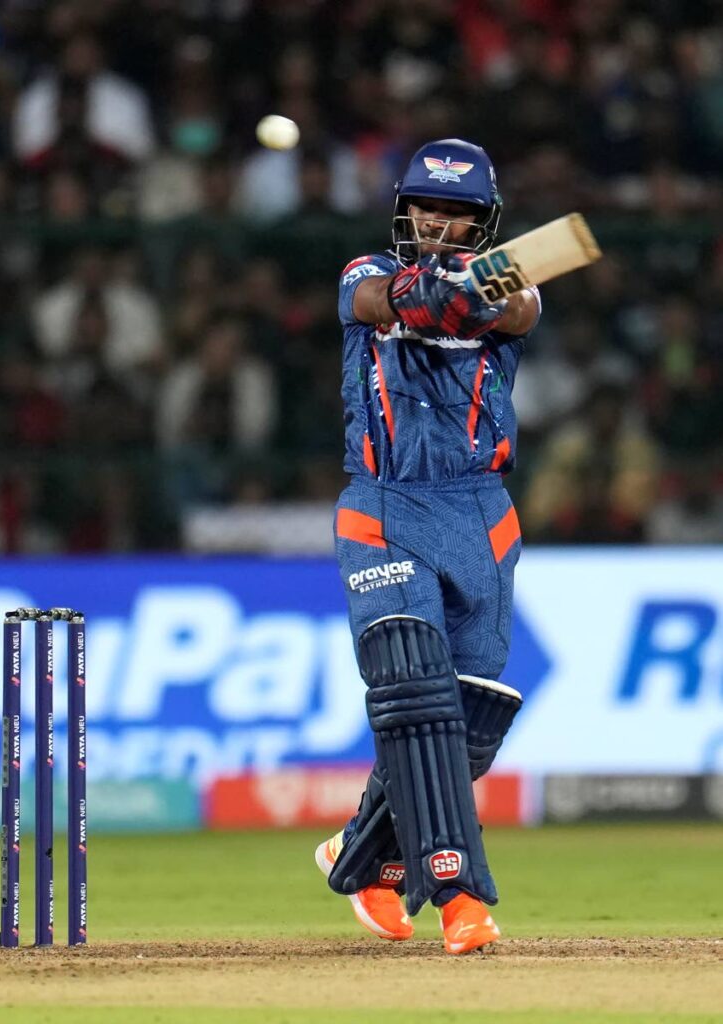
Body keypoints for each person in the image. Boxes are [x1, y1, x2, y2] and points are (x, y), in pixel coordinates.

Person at [314, 138, 540, 955]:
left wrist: (465, 293)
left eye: (459, 213)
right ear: (404, 208)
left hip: (481, 514)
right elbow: (382, 303)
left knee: (470, 723)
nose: (440, 223)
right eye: (428, 207)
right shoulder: (359, 272)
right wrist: (432, 290)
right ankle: (458, 896)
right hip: (383, 506)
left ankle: (365, 851)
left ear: (485, 221)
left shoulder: (516, 285)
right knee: (413, 691)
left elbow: (509, 311)